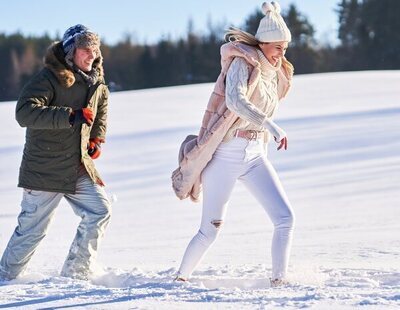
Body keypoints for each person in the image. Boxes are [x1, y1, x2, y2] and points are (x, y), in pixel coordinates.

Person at [172, 2, 295, 286]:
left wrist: (264, 136)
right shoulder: (241, 62)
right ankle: (180, 280)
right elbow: (236, 101)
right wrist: (271, 125)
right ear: (263, 43)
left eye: (285, 49)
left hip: (255, 156)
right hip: (226, 155)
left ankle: (279, 281)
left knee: (285, 218)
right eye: (278, 47)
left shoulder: (274, 72)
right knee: (210, 230)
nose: (281, 54)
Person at [0, 24, 111, 281]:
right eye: (85, 49)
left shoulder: (96, 80)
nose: (91, 54)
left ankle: (76, 273)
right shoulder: (48, 78)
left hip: (76, 165)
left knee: (100, 211)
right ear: (71, 51)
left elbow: (101, 106)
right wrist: (69, 116)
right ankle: (5, 278)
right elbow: (24, 112)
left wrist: (97, 138)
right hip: (44, 168)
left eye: (95, 49)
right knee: (32, 230)